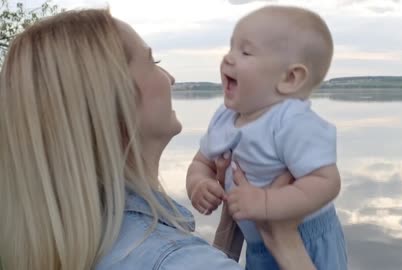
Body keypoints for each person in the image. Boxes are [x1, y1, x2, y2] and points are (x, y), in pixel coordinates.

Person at [0, 9, 317, 270]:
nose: (171, 79)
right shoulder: (175, 260)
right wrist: (284, 242)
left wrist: (227, 227)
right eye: (153, 62)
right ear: (114, 99)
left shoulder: (67, 234)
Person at [186, 5, 348, 270]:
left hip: (307, 240)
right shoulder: (224, 116)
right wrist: (198, 183)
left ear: (290, 78)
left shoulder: (291, 121)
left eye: (245, 51)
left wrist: (266, 203)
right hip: (258, 244)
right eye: (231, 48)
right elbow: (201, 161)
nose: (228, 58)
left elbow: (326, 182)